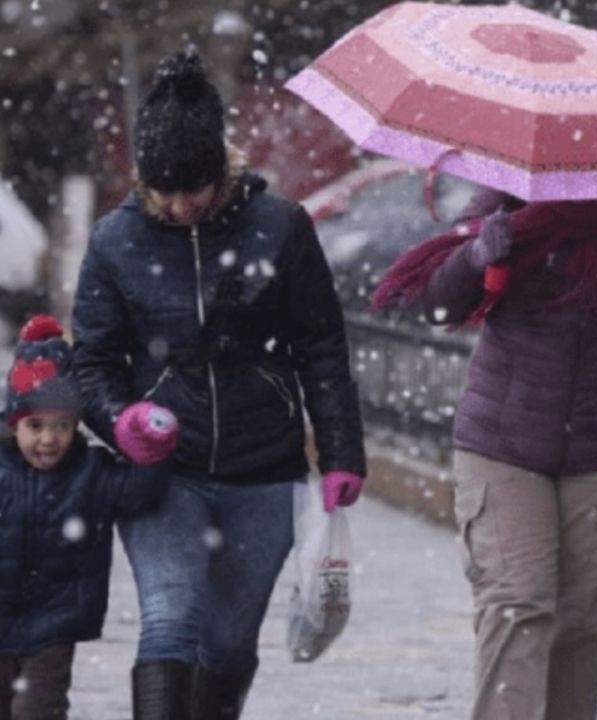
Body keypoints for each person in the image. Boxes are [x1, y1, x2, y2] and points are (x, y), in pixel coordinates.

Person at [71, 49, 367, 719]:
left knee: (229, 644)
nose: (178, 206)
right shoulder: (115, 242)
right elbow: (90, 361)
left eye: (193, 189)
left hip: (262, 469)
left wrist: (343, 452)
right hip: (162, 475)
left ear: (221, 171)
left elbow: (320, 344)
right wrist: (119, 420)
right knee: (170, 620)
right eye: (163, 191)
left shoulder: (281, 228)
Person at [371, 187, 597, 720]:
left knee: (585, 625)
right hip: (504, 445)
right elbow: (437, 304)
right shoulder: (506, 196)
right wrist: (475, 255)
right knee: (516, 606)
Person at [1, 316, 177, 720]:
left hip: (53, 623)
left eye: (62, 426)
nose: (49, 438)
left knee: (37, 708)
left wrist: (153, 450)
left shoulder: (90, 471)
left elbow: (137, 493)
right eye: (35, 426)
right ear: (14, 425)